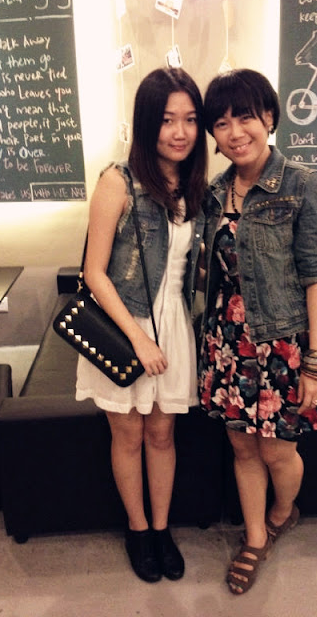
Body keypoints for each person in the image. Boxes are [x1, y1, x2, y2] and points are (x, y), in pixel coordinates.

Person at [198, 69, 317, 595]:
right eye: (222, 123)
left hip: (283, 342)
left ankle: (282, 512)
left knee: (279, 451)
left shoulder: (303, 184)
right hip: (227, 342)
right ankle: (254, 538)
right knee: (242, 449)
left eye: (246, 117)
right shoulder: (214, 192)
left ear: (270, 118)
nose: (235, 132)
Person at [76, 67, 207, 583]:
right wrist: (138, 339)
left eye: (190, 119)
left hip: (174, 322)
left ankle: (161, 527)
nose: (180, 131)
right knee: (128, 433)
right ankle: (137, 530)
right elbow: (94, 272)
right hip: (124, 324)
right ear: (147, 121)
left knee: (162, 433)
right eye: (168, 119)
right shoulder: (118, 181)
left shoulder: (197, 186)